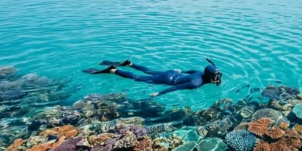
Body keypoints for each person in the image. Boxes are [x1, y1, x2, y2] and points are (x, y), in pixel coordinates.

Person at [83, 58, 222, 97]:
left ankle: (130, 64)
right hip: (168, 80)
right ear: (209, 76)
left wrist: (181, 70)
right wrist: (159, 93)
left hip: (172, 73)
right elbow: (176, 87)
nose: (217, 79)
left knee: (150, 71)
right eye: (215, 77)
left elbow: (191, 70)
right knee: (139, 78)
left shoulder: (199, 73)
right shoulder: (196, 83)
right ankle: (115, 71)